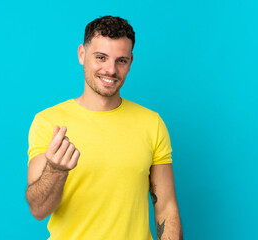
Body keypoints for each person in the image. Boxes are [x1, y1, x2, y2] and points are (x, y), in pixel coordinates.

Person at [25, 15, 183, 240]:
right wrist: (55, 170)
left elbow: (166, 207)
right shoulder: (49, 122)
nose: (111, 70)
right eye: (101, 57)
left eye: (121, 60)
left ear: (130, 62)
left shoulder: (151, 123)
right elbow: (39, 210)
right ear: (82, 54)